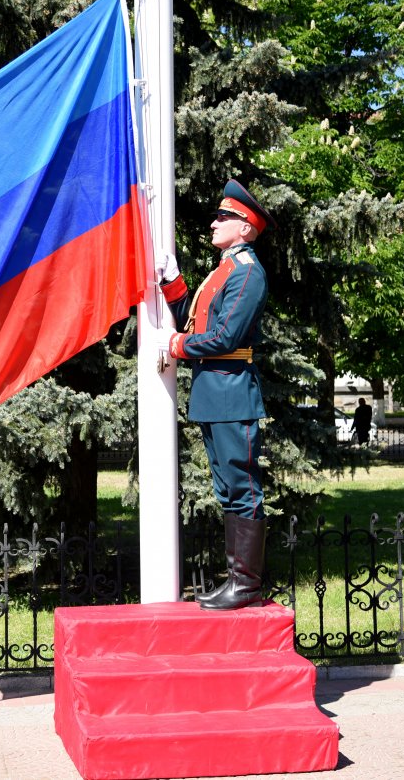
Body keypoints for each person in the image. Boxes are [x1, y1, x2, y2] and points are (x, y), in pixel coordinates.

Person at [158, 179, 274, 611]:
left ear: (245, 228)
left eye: (223, 217)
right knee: (228, 488)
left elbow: (225, 336)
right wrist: (173, 285)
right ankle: (238, 581)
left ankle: (245, 585)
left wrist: (178, 347)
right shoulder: (225, 269)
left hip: (230, 391)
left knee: (241, 487)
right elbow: (198, 320)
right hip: (214, 390)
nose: (214, 222)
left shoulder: (247, 271)